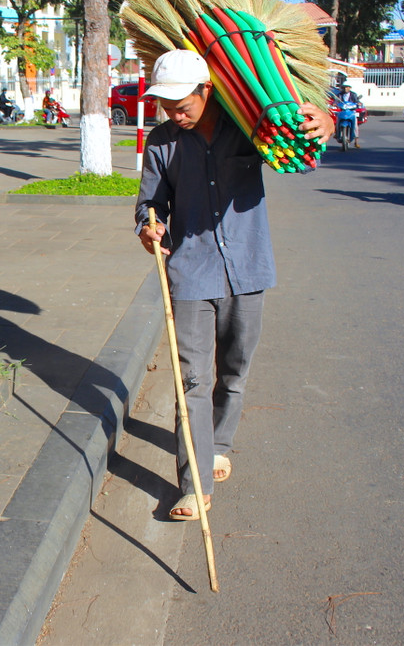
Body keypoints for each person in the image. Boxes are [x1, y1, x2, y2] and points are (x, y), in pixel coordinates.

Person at [134, 49, 334, 519]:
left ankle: (219, 442)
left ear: (207, 91)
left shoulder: (249, 124)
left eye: (182, 105)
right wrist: (148, 225)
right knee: (193, 379)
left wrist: (322, 121)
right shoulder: (162, 142)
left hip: (247, 267)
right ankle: (195, 483)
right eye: (166, 106)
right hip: (189, 272)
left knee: (235, 369)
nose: (174, 115)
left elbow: (300, 158)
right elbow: (149, 201)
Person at [337, 82, 363, 148]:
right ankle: (337, 133)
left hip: (351, 111)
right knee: (336, 122)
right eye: (344, 87)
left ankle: (356, 142)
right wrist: (334, 103)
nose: (345, 88)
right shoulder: (340, 94)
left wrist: (358, 103)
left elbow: (357, 101)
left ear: (350, 88)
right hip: (343, 111)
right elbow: (336, 101)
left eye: (347, 87)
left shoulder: (353, 94)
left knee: (355, 126)